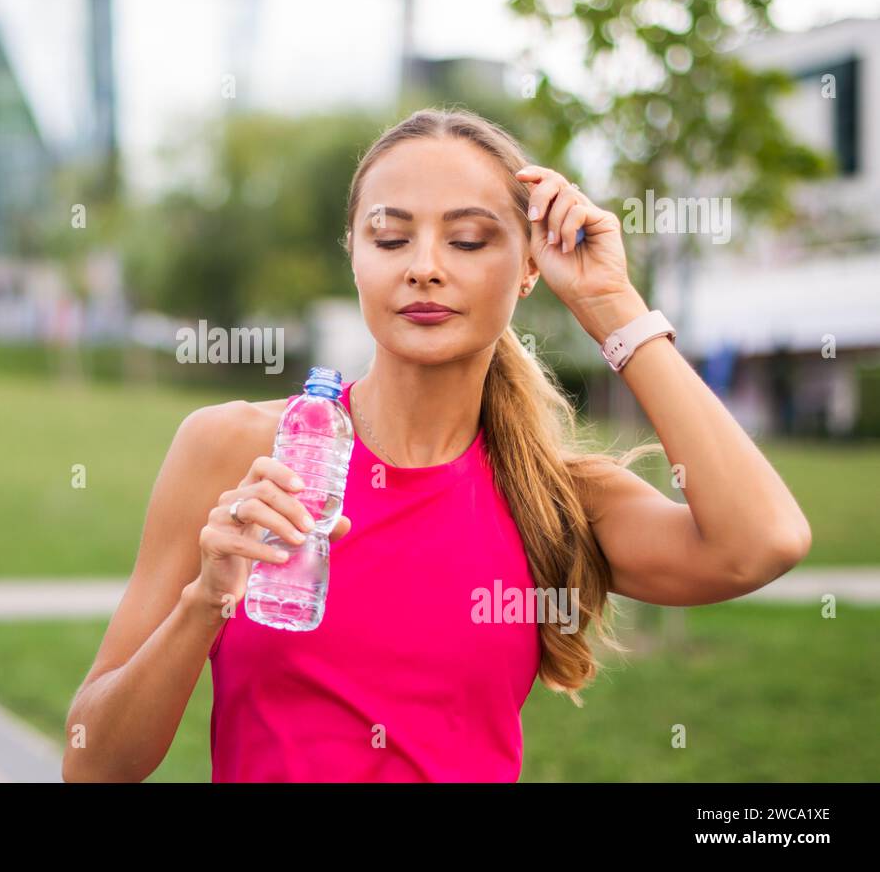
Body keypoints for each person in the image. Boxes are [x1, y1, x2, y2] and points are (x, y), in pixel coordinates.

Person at [62, 107, 814, 783]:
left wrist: (612, 306)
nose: (424, 265)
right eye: (390, 237)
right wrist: (206, 600)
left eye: (468, 239)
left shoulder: (555, 501)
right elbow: (92, 764)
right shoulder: (237, 450)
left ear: (528, 268)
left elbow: (764, 542)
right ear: (354, 256)